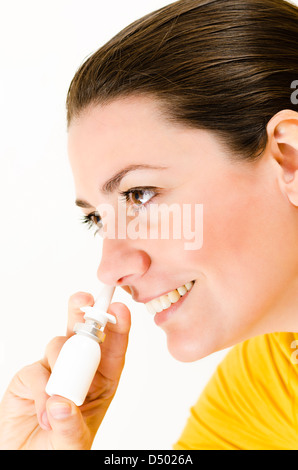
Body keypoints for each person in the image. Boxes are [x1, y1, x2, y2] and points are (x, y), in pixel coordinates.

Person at [1, 0, 298, 450]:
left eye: (139, 195)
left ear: (289, 157)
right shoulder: (264, 385)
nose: (110, 270)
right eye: (97, 220)